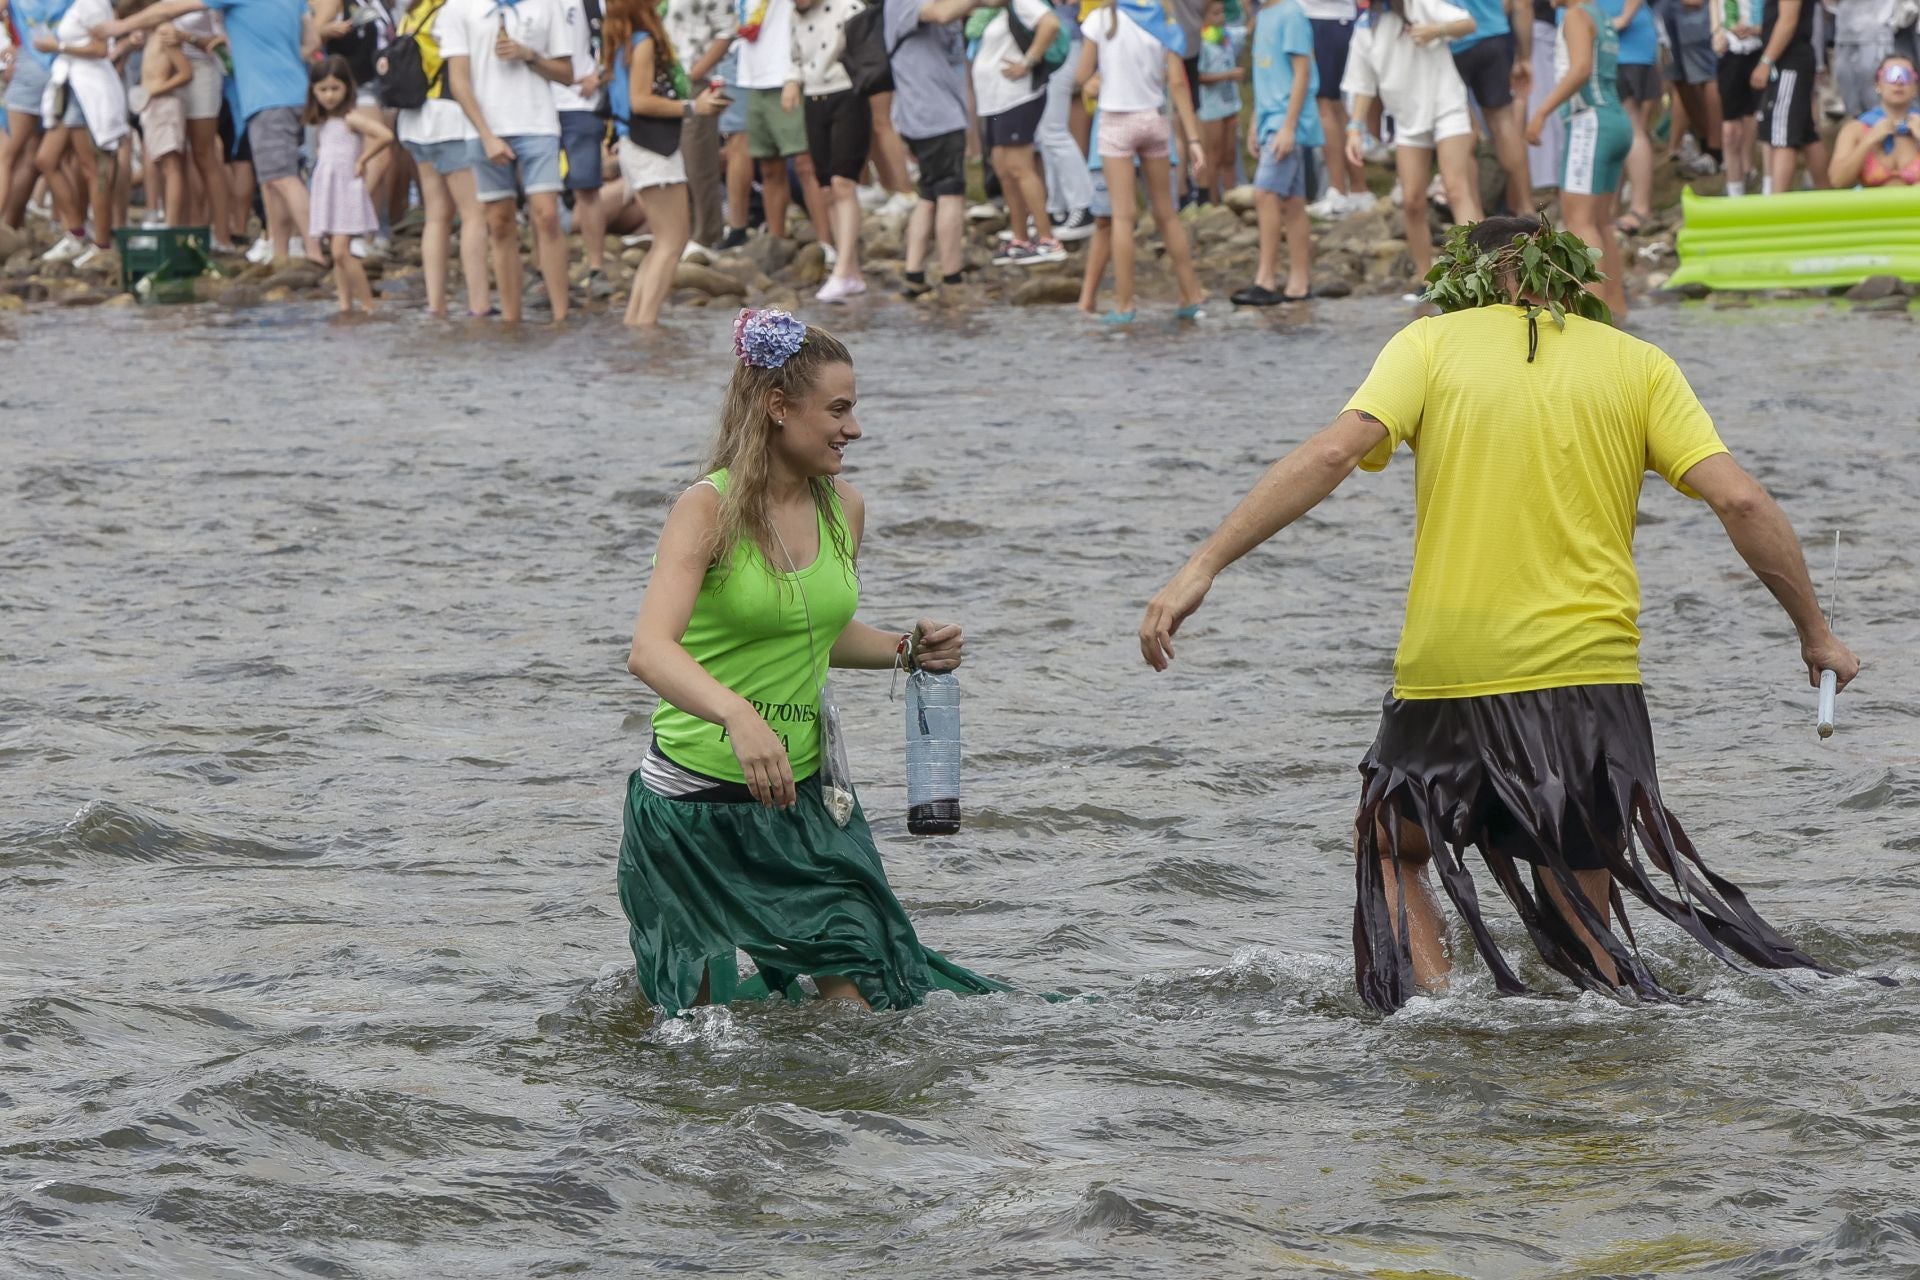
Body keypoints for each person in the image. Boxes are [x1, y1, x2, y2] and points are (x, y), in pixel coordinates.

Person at [1139, 214, 1863, 1015]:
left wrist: (1202, 564)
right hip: (1590, 681)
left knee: (1391, 844)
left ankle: (1437, 1010)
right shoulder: (1639, 364)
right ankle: (1599, 1060)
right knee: (1582, 929)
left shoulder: (1429, 344)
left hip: (1451, 674)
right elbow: (1741, 498)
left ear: (1465, 278)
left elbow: (1331, 454)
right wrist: (1815, 634)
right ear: (1567, 279)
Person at [620, 308, 1011, 1016]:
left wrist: (906, 649)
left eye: (852, 410)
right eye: (838, 409)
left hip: (806, 801)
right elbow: (650, 649)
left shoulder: (845, 508)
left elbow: (814, 637)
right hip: (693, 811)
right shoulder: (703, 510)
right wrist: (737, 714)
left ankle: (835, 1129)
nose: (853, 429)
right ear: (777, 408)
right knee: (702, 1034)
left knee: (863, 989)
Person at [104, 0, 315, 263]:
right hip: (272, 89)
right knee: (181, 158)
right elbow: (312, 42)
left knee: (214, 157)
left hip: (208, 73)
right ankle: (193, 235)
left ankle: (285, 245)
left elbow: (198, 28)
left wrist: (119, 27)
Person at [440, 0, 576, 323]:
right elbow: (458, 82)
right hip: (484, 129)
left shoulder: (547, 6)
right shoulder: (459, 8)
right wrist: (487, 135)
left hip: (537, 122)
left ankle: (561, 318)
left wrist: (529, 55)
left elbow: (567, 74)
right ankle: (511, 321)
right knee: (499, 224)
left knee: (547, 216)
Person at [1076, 0, 1208, 322]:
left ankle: (1124, 304)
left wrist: (1096, 81)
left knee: (1122, 217)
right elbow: (1178, 84)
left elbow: (1081, 75)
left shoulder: (1102, 18)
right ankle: (1191, 296)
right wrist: (1193, 140)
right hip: (1154, 120)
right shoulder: (1164, 21)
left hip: (1116, 121)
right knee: (1167, 214)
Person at [1341, 0, 1484, 291]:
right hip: (1407, 118)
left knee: (1456, 188)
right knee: (1412, 201)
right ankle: (1425, 279)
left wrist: (1436, 30)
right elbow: (1363, 85)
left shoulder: (1420, 4)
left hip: (1447, 105)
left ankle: (1481, 270)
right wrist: (1354, 129)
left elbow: (1469, 23)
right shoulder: (1366, 27)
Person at [607, 0, 726, 325]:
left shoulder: (624, 39)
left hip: (635, 145)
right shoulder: (643, 41)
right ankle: (646, 322)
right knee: (673, 239)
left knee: (663, 240)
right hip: (652, 148)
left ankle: (636, 320)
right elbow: (641, 100)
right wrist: (693, 108)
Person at [386, 0, 492, 317]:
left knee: (436, 216)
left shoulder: (411, 14)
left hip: (415, 123)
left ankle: (436, 305)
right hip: (448, 120)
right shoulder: (449, 11)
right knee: (474, 214)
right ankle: (479, 303)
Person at [1528, 0, 1629, 318]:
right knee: (1600, 222)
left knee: (1580, 222)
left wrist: (1541, 112)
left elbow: (1581, 68)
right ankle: (1616, 310)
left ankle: (1592, 319)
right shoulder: (1603, 14)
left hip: (1590, 122)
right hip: (1615, 119)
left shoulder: (1575, 14)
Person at [885, 0, 976, 296]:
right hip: (933, 115)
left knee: (930, 192)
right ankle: (952, 277)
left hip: (933, 114)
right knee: (950, 193)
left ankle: (914, 274)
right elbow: (942, 13)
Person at [1231, 0, 1317, 304]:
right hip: (1271, 120)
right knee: (1293, 202)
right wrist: (1256, 121)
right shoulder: (1263, 15)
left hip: (1286, 121)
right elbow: (1266, 78)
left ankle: (1265, 280)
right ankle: (1299, 283)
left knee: (1264, 193)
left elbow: (1302, 72)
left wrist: (1289, 126)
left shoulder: (1291, 13)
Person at [785, 0, 870, 298]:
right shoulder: (794, 16)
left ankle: (843, 269)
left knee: (843, 183)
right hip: (814, 98)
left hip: (848, 94)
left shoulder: (850, 7)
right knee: (825, 189)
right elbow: (793, 56)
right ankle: (852, 271)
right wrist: (792, 82)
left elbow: (865, 50)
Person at [972, 0, 1068, 264]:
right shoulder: (993, 11)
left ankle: (1047, 238)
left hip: (1017, 97)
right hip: (994, 100)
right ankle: (1020, 237)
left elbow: (1050, 24)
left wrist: (1028, 62)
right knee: (1003, 168)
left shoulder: (1023, 2)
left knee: (1019, 166)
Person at [34, 0, 125, 268]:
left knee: (94, 169)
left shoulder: (92, 4)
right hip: (70, 87)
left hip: (88, 91)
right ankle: (76, 232)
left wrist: (57, 47)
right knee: (46, 160)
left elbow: (101, 49)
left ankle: (102, 243)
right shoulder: (73, 5)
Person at [735, 0, 832, 243]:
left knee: (805, 164)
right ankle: (776, 244)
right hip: (752, 76)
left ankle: (827, 244)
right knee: (768, 166)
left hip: (787, 73)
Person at [305, 54, 391, 312]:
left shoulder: (351, 118)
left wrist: (363, 159)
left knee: (342, 251)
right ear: (313, 91)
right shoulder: (321, 122)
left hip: (346, 188)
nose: (329, 96)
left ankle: (367, 303)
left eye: (335, 89)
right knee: (336, 251)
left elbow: (385, 135)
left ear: (346, 88)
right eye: (323, 90)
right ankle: (344, 303)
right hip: (329, 187)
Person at [664, 0, 736, 252]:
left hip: (696, 79)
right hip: (667, 80)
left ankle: (707, 233)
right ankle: (687, 231)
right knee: (678, 159)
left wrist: (696, 72)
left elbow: (728, 30)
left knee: (698, 158)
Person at [1448, 0, 1533, 214]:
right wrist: (1524, 56)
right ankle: (1525, 207)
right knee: (1505, 123)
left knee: (1461, 129)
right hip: (1494, 35)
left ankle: (1473, 215)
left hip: (1454, 42)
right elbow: (1520, 6)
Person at [553, 0, 613, 299]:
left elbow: (617, 39)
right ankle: (547, 270)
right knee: (542, 194)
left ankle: (596, 266)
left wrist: (601, 76)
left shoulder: (595, 4)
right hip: (539, 106)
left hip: (582, 104)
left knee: (588, 187)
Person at [3, 0, 73, 232]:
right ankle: (70, 228)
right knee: (54, 157)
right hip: (64, 70)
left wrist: (12, 45)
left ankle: (7, 225)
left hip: (30, 69)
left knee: (11, 157)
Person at [170, 4, 235, 251]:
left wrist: (186, 37)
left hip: (201, 71)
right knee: (176, 155)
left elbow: (221, 41)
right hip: (168, 69)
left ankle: (222, 236)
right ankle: (185, 232)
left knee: (205, 153)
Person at [1748, 0, 1826, 192]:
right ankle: (1829, 194)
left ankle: (1776, 206)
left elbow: (1788, 21)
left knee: (1783, 135)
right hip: (1790, 60)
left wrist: (1766, 61)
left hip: (1791, 61)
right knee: (1807, 134)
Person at [1301, 0, 1367, 214]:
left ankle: (1338, 191)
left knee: (1325, 105)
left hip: (1324, 19)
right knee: (1336, 106)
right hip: (1334, 20)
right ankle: (1357, 190)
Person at [1593, 0, 1655, 229]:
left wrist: (1623, 19)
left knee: (1631, 127)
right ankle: (1611, 207)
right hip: (1615, 47)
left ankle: (1640, 208)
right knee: (1618, 129)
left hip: (1625, 49)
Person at [1036, 0, 1095, 238]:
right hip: (1060, 42)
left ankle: (1084, 205)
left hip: (1065, 42)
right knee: (1046, 133)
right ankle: (1057, 208)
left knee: (1053, 130)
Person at [1829, 53, 1919, 185]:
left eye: (1906, 76)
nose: (1898, 82)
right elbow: (1837, 181)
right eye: (1891, 75)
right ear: (1878, 84)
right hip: (1873, 205)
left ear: (1915, 86)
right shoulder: (1855, 129)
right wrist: (1868, 141)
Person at [135, 20, 193, 224]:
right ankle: (154, 215)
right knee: (151, 161)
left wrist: (154, 91)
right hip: (150, 106)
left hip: (164, 104)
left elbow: (186, 73)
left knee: (171, 166)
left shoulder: (163, 31)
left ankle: (171, 224)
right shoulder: (149, 33)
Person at [1657, 0, 1722, 174]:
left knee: (1707, 72)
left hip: (1694, 10)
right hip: (1660, 7)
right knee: (1678, 76)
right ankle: (1705, 142)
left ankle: (1715, 152)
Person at [1193, 0, 1244, 205]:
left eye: (1222, 13)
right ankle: (1214, 202)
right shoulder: (1202, 43)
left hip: (1231, 104)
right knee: (1213, 158)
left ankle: (1234, 199)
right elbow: (1198, 76)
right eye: (1215, 14)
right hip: (1212, 108)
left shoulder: (1227, 38)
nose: (1221, 18)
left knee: (1229, 156)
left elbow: (1247, 29)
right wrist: (1227, 75)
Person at [1711, 0, 1764, 194]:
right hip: (1731, 50)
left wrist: (1756, 29)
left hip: (1761, 49)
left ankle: (1763, 184)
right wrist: (1717, 30)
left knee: (1760, 121)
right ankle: (1734, 191)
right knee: (1730, 129)